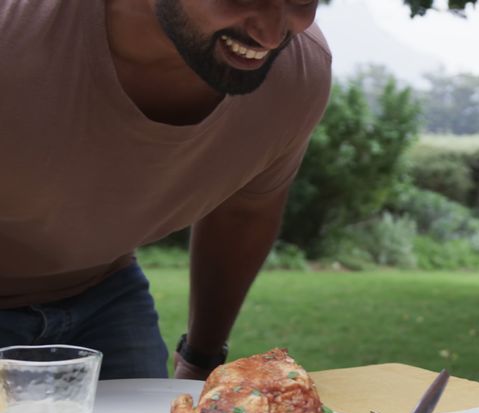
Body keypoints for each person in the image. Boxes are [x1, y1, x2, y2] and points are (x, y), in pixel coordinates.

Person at [0, 0, 331, 380]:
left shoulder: (295, 77)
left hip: (103, 292)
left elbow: (244, 212)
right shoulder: (12, 33)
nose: (271, 36)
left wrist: (201, 359)